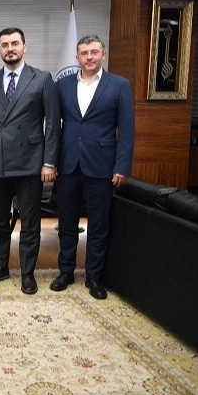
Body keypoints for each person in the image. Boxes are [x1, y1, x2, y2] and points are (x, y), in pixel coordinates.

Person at [50, 35, 135, 300]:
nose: (89, 57)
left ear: (103, 55)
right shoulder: (62, 84)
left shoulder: (119, 85)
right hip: (67, 164)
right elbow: (53, 126)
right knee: (66, 222)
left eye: (94, 52)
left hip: (102, 167)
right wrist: (51, 160)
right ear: (77, 57)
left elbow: (127, 130)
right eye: (84, 53)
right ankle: (65, 271)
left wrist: (122, 165)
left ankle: (94, 277)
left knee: (99, 224)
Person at [0, 27, 60, 295]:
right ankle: (0, 266)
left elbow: (53, 124)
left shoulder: (42, 79)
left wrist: (49, 162)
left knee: (30, 222)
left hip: (31, 164)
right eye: (5, 45)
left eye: (15, 43)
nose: (10, 48)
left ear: (25, 47)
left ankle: (27, 273)